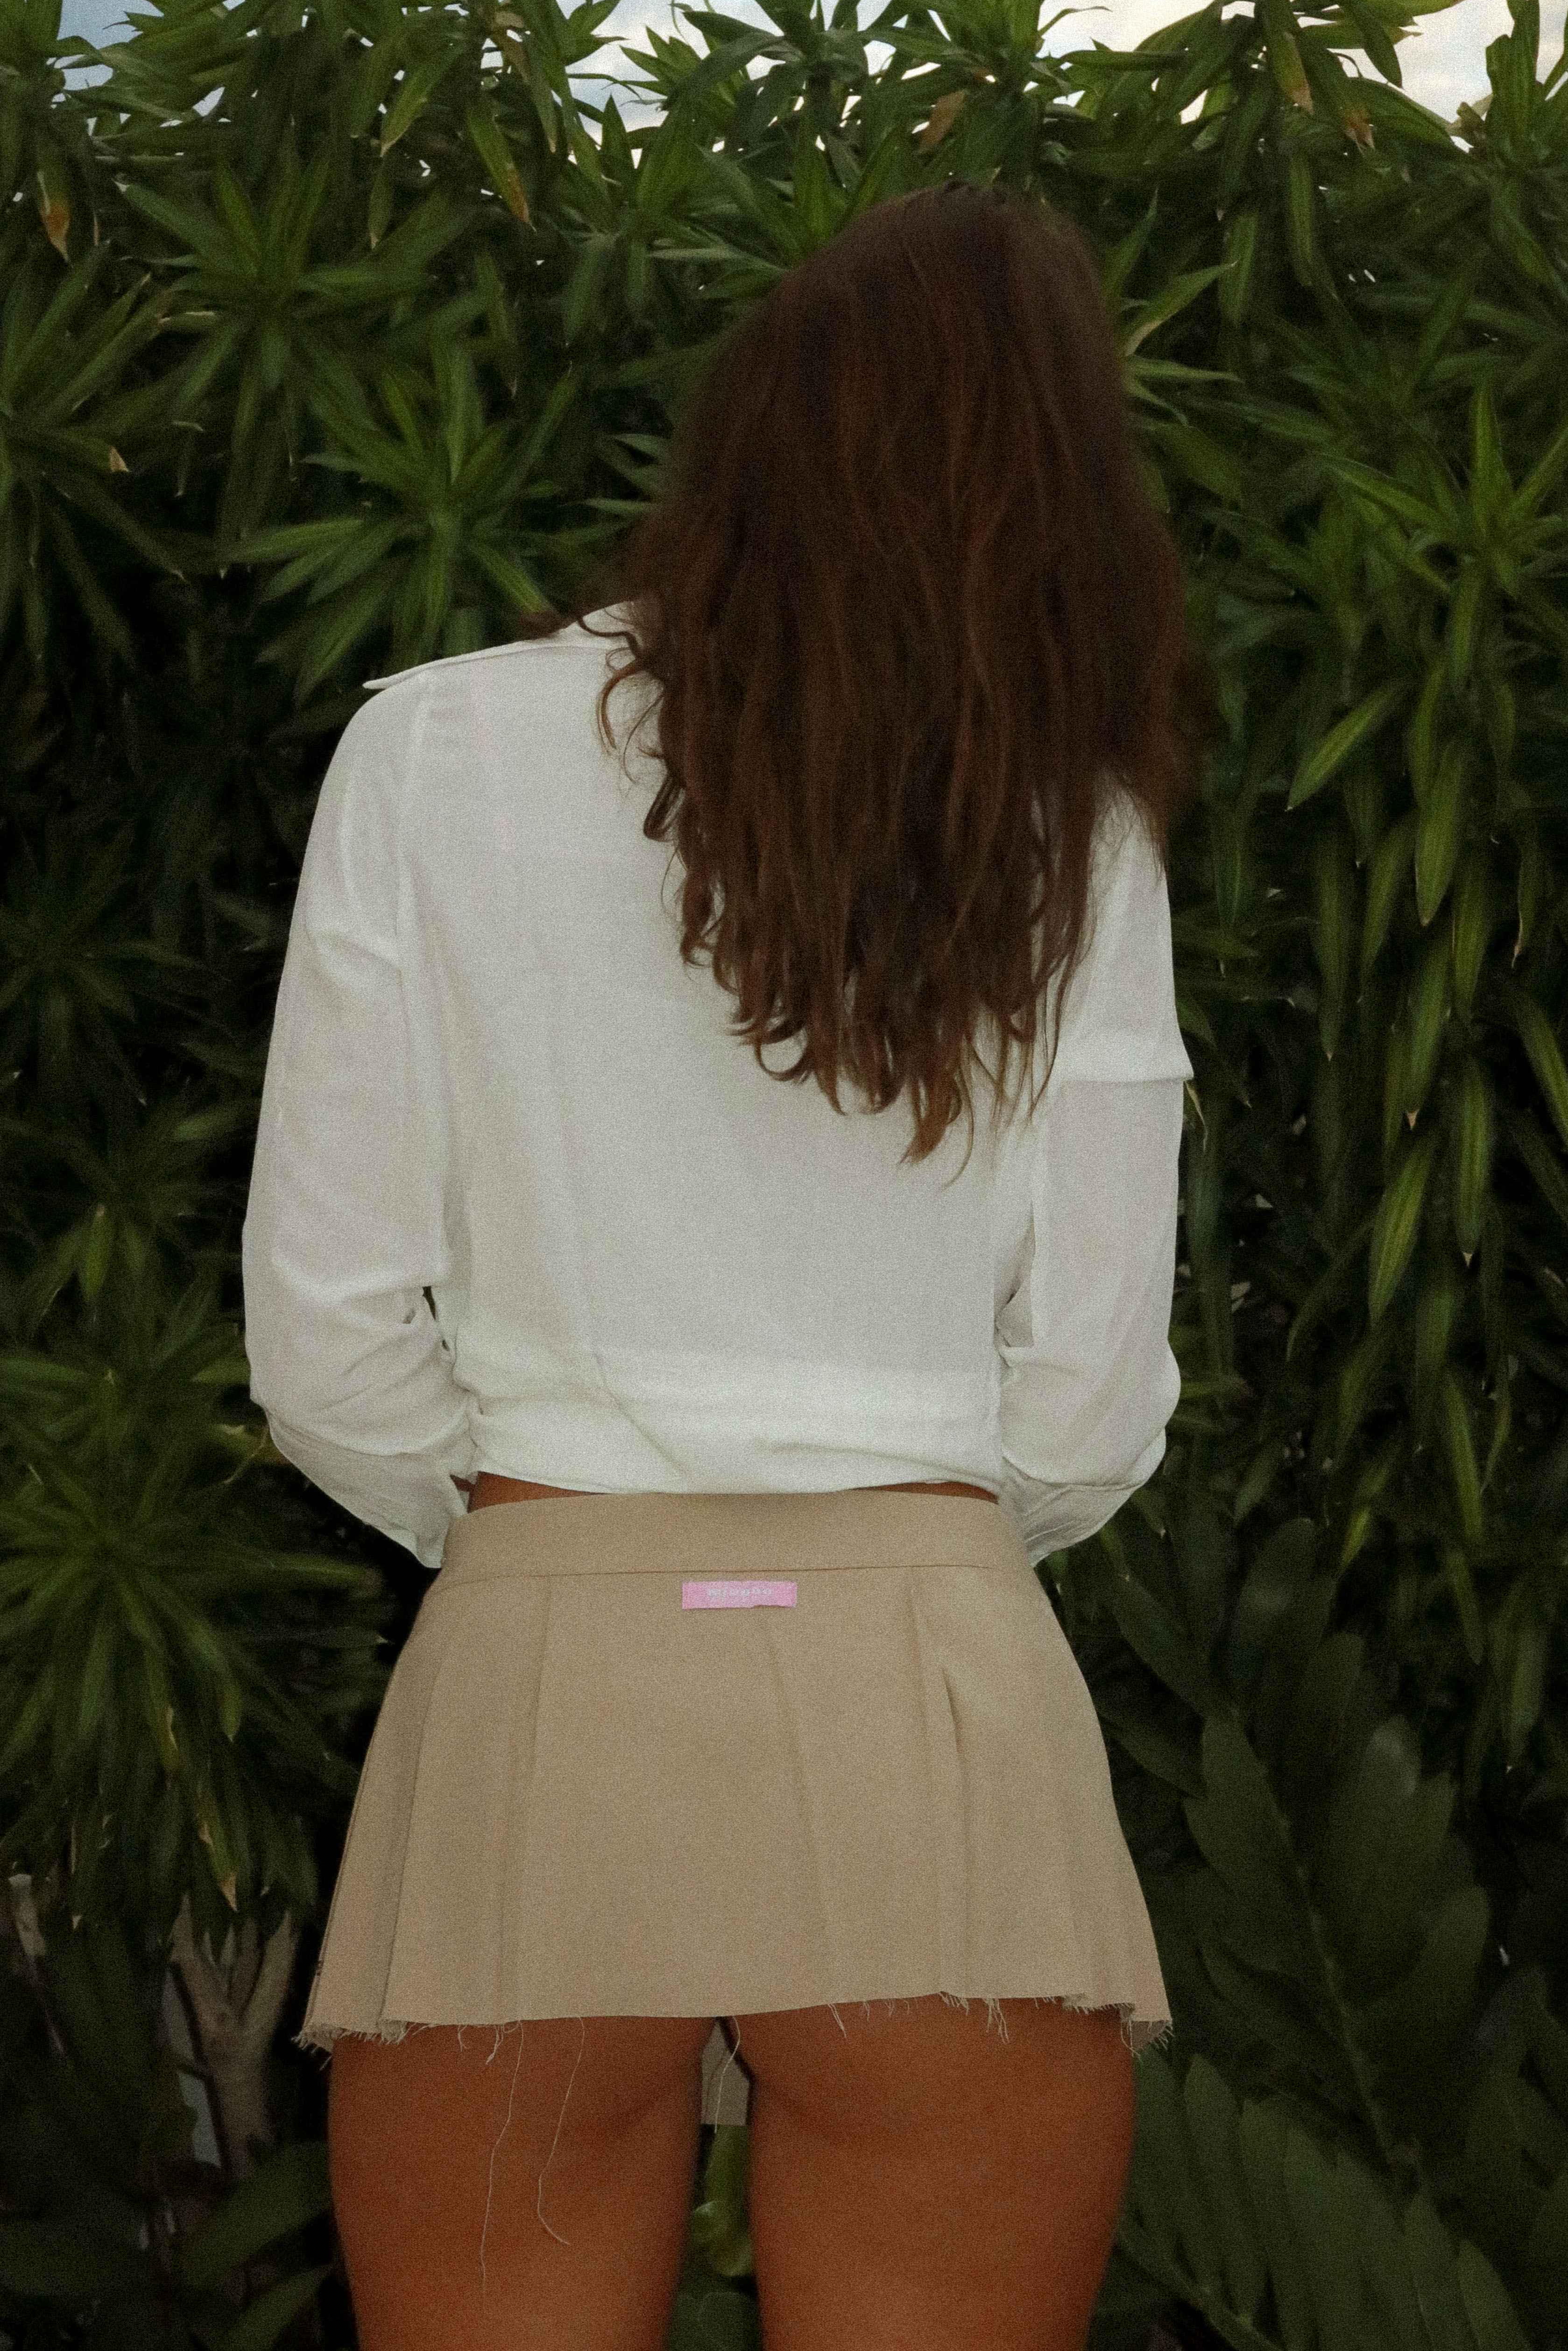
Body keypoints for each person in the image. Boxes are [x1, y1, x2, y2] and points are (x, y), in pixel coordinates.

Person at [240, 176, 1213, 2350]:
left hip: (540, 1702)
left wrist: (548, 1551)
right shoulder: (1078, 837)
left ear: (746, 434)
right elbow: (1086, 1406)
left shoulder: (434, 750)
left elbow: (326, 1348)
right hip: (934, 1729)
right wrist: (897, 1561)